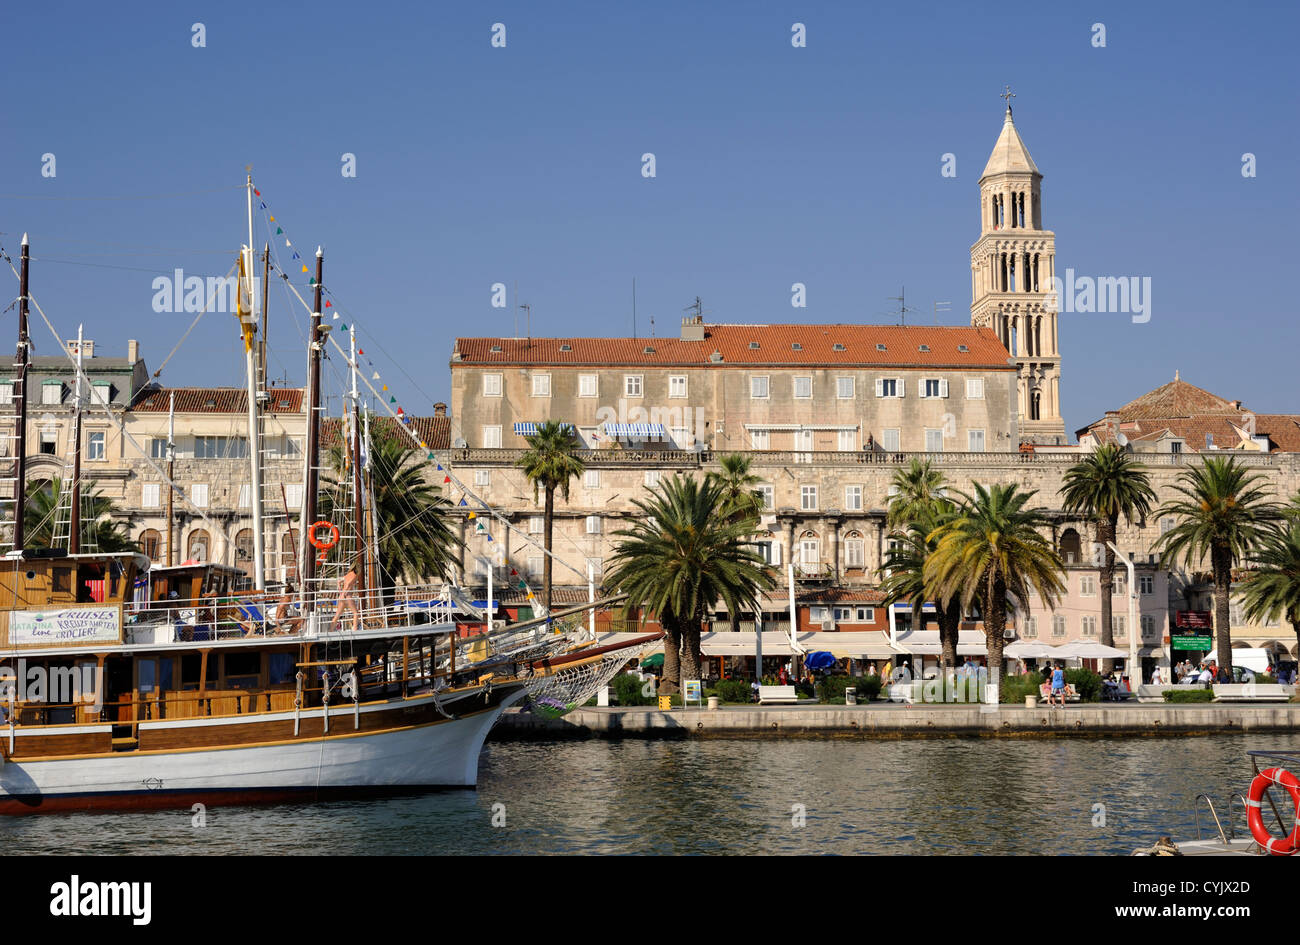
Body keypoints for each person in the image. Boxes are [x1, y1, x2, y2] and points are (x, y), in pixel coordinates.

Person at [330, 558, 362, 633]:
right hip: (347, 596)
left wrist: (341, 591)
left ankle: (330, 630)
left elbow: (339, 581)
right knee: (355, 613)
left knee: (337, 615)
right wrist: (345, 592)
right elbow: (348, 584)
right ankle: (355, 630)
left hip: (341, 596)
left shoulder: (347, 575)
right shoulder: (355, 575)